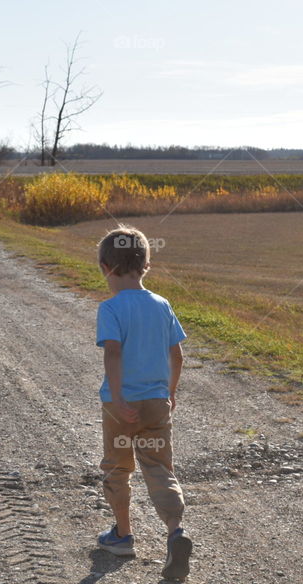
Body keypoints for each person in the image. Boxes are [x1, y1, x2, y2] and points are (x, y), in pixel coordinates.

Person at [94, 224, 193, 582]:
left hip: (121, 406)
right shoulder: (161, 304)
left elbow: (114, 354)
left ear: (105, 267)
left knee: (118, 468)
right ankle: (175, 531)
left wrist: (118, 399)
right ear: (146, 265)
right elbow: (177, 355)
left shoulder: (111, 308)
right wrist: (171, 391)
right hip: (156, 402)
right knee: (159, 467)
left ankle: (122, 535)